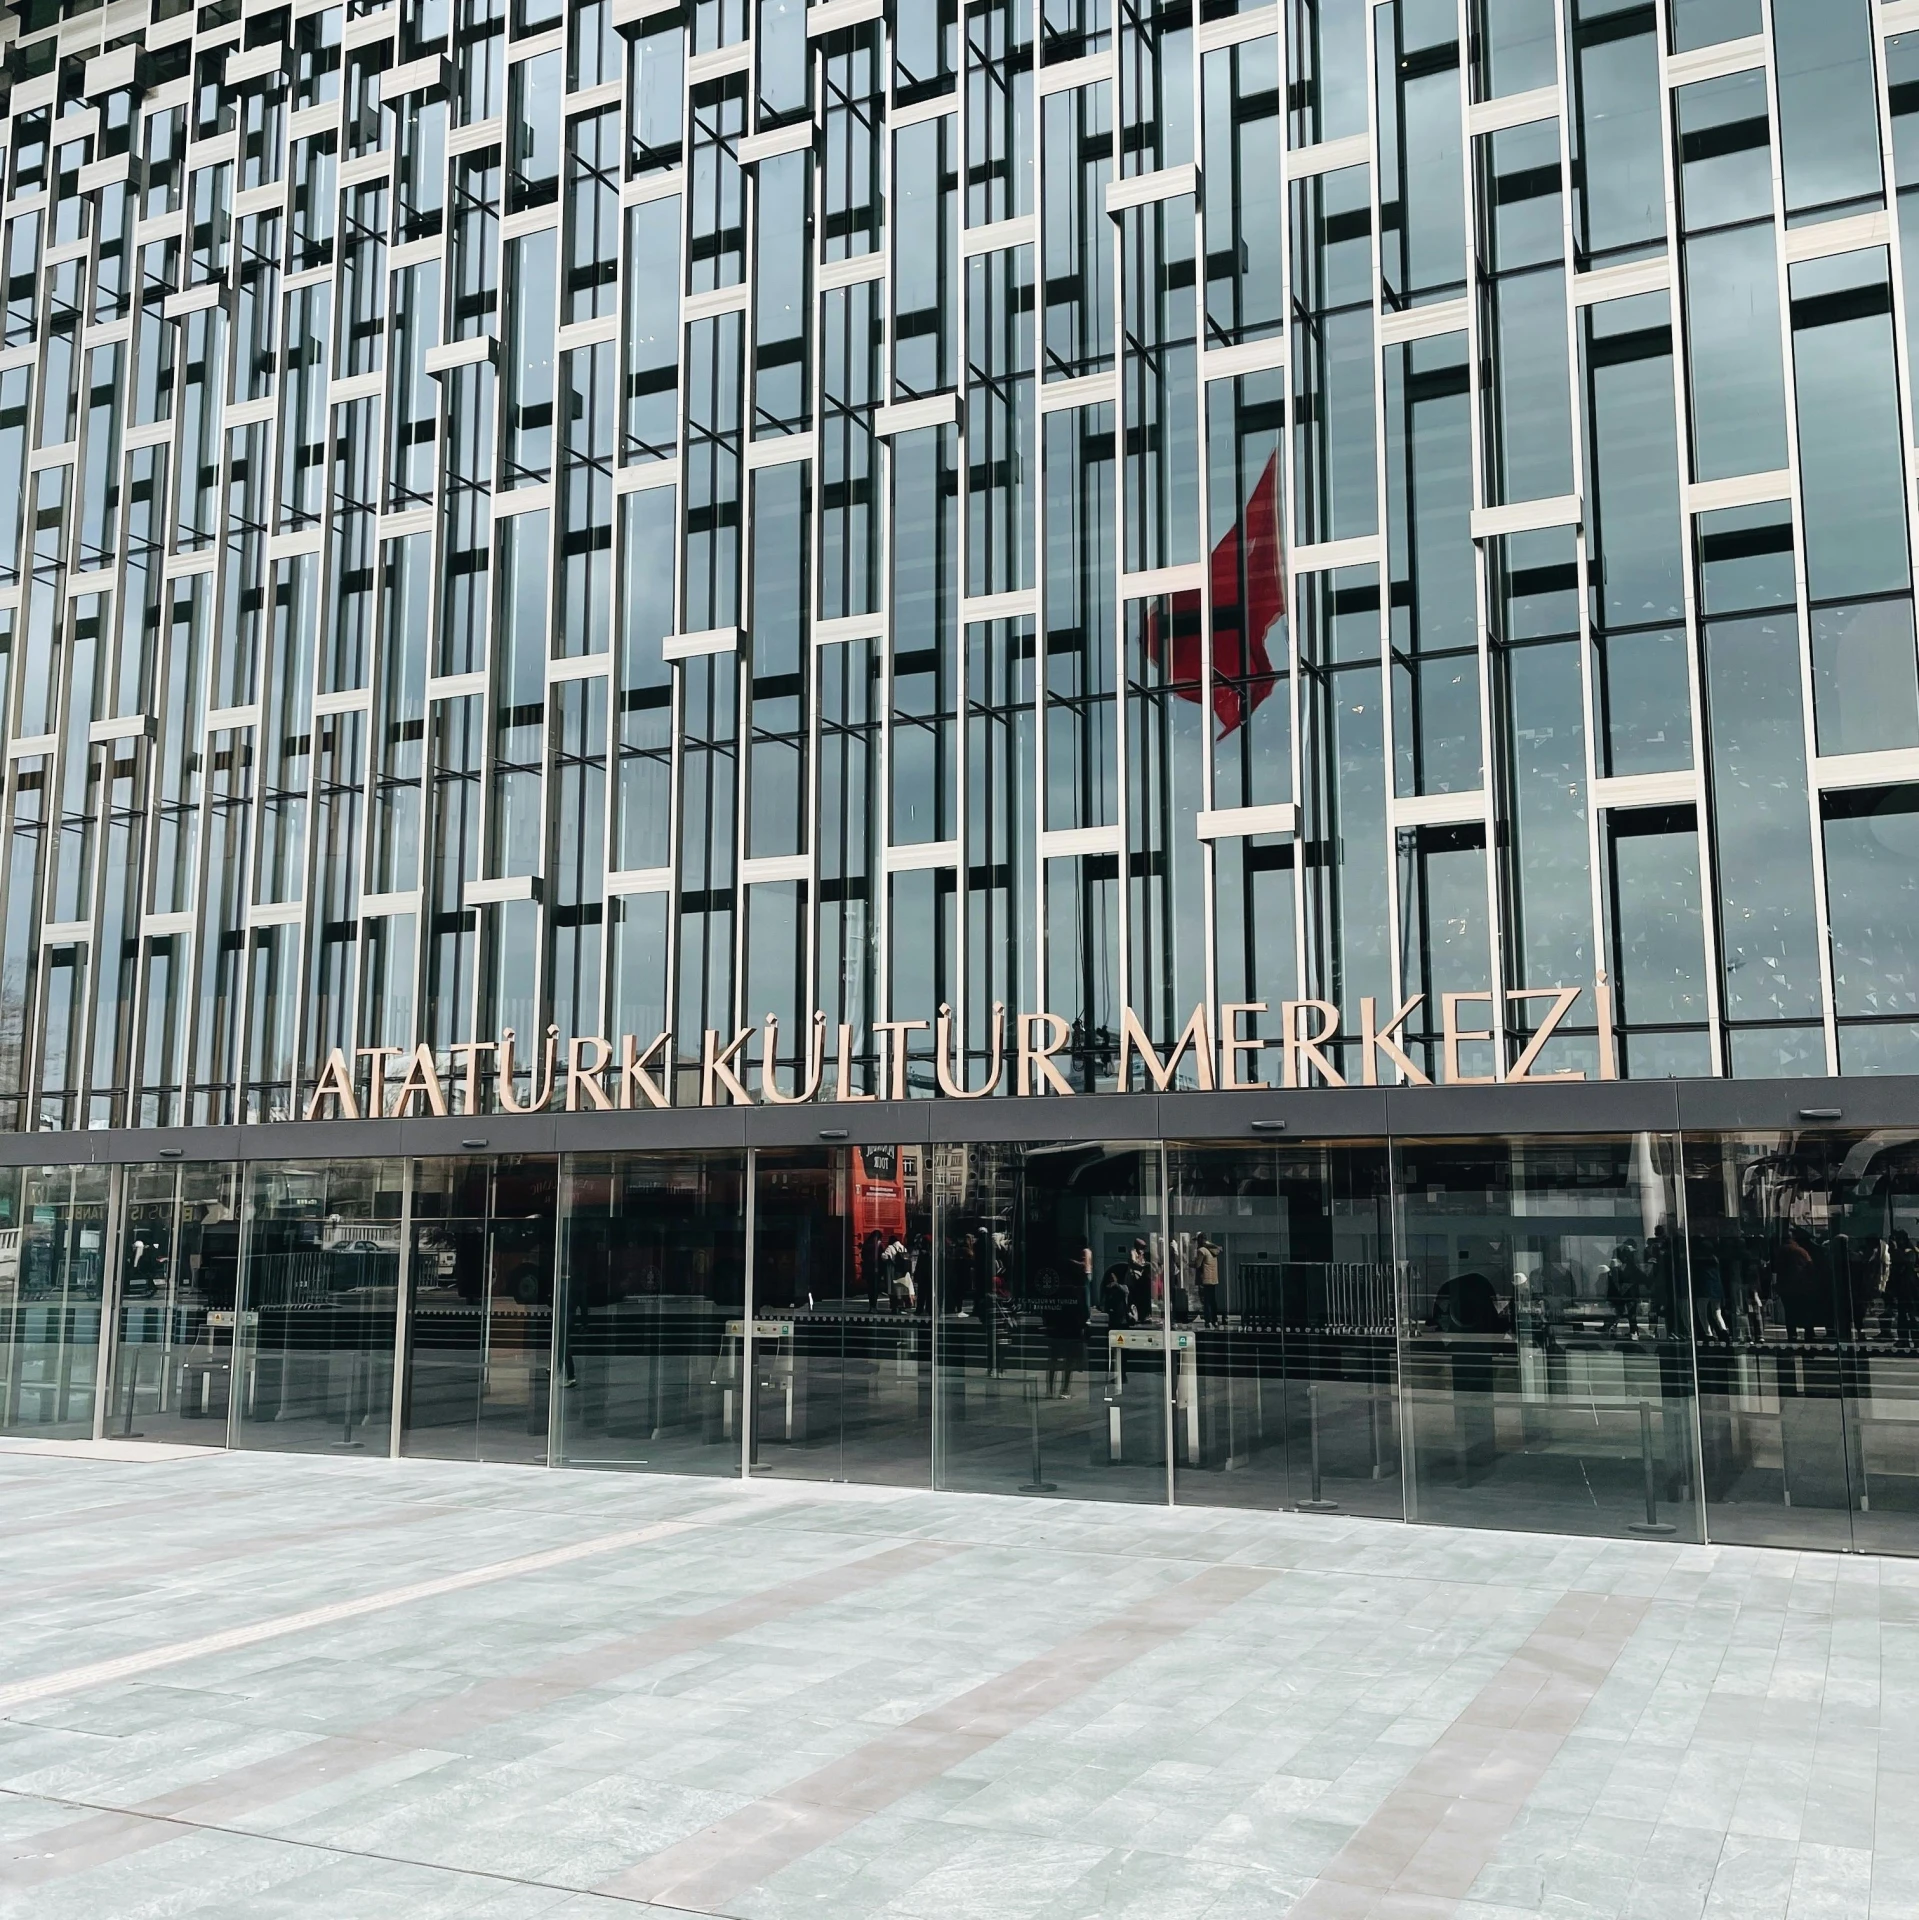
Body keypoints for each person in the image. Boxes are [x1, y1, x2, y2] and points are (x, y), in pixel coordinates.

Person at [1039, 1267, 1089, 1399]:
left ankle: (1049, 1390)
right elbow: (1084, 1311)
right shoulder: (1079, 1290)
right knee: (1069, 1360)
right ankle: (1064, 1390)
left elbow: (1047, 1308)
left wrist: (1048, 1323)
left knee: (1053, 1359)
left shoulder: (1056, 1289)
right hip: (1072, 1328)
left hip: (1055, 1328)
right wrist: (1082, 1324)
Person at [1194, 1234, 1221, 1326]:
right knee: (1212, 1300)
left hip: (1205, 1279)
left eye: (1197, 1240)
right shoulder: (1213, 1250)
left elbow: (1197, 1264)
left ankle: (1208, 1320)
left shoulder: (1201, 1251)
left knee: (1206, 1301)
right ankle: (1215, 1320)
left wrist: (1189, 1263)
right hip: (1213, 1279)